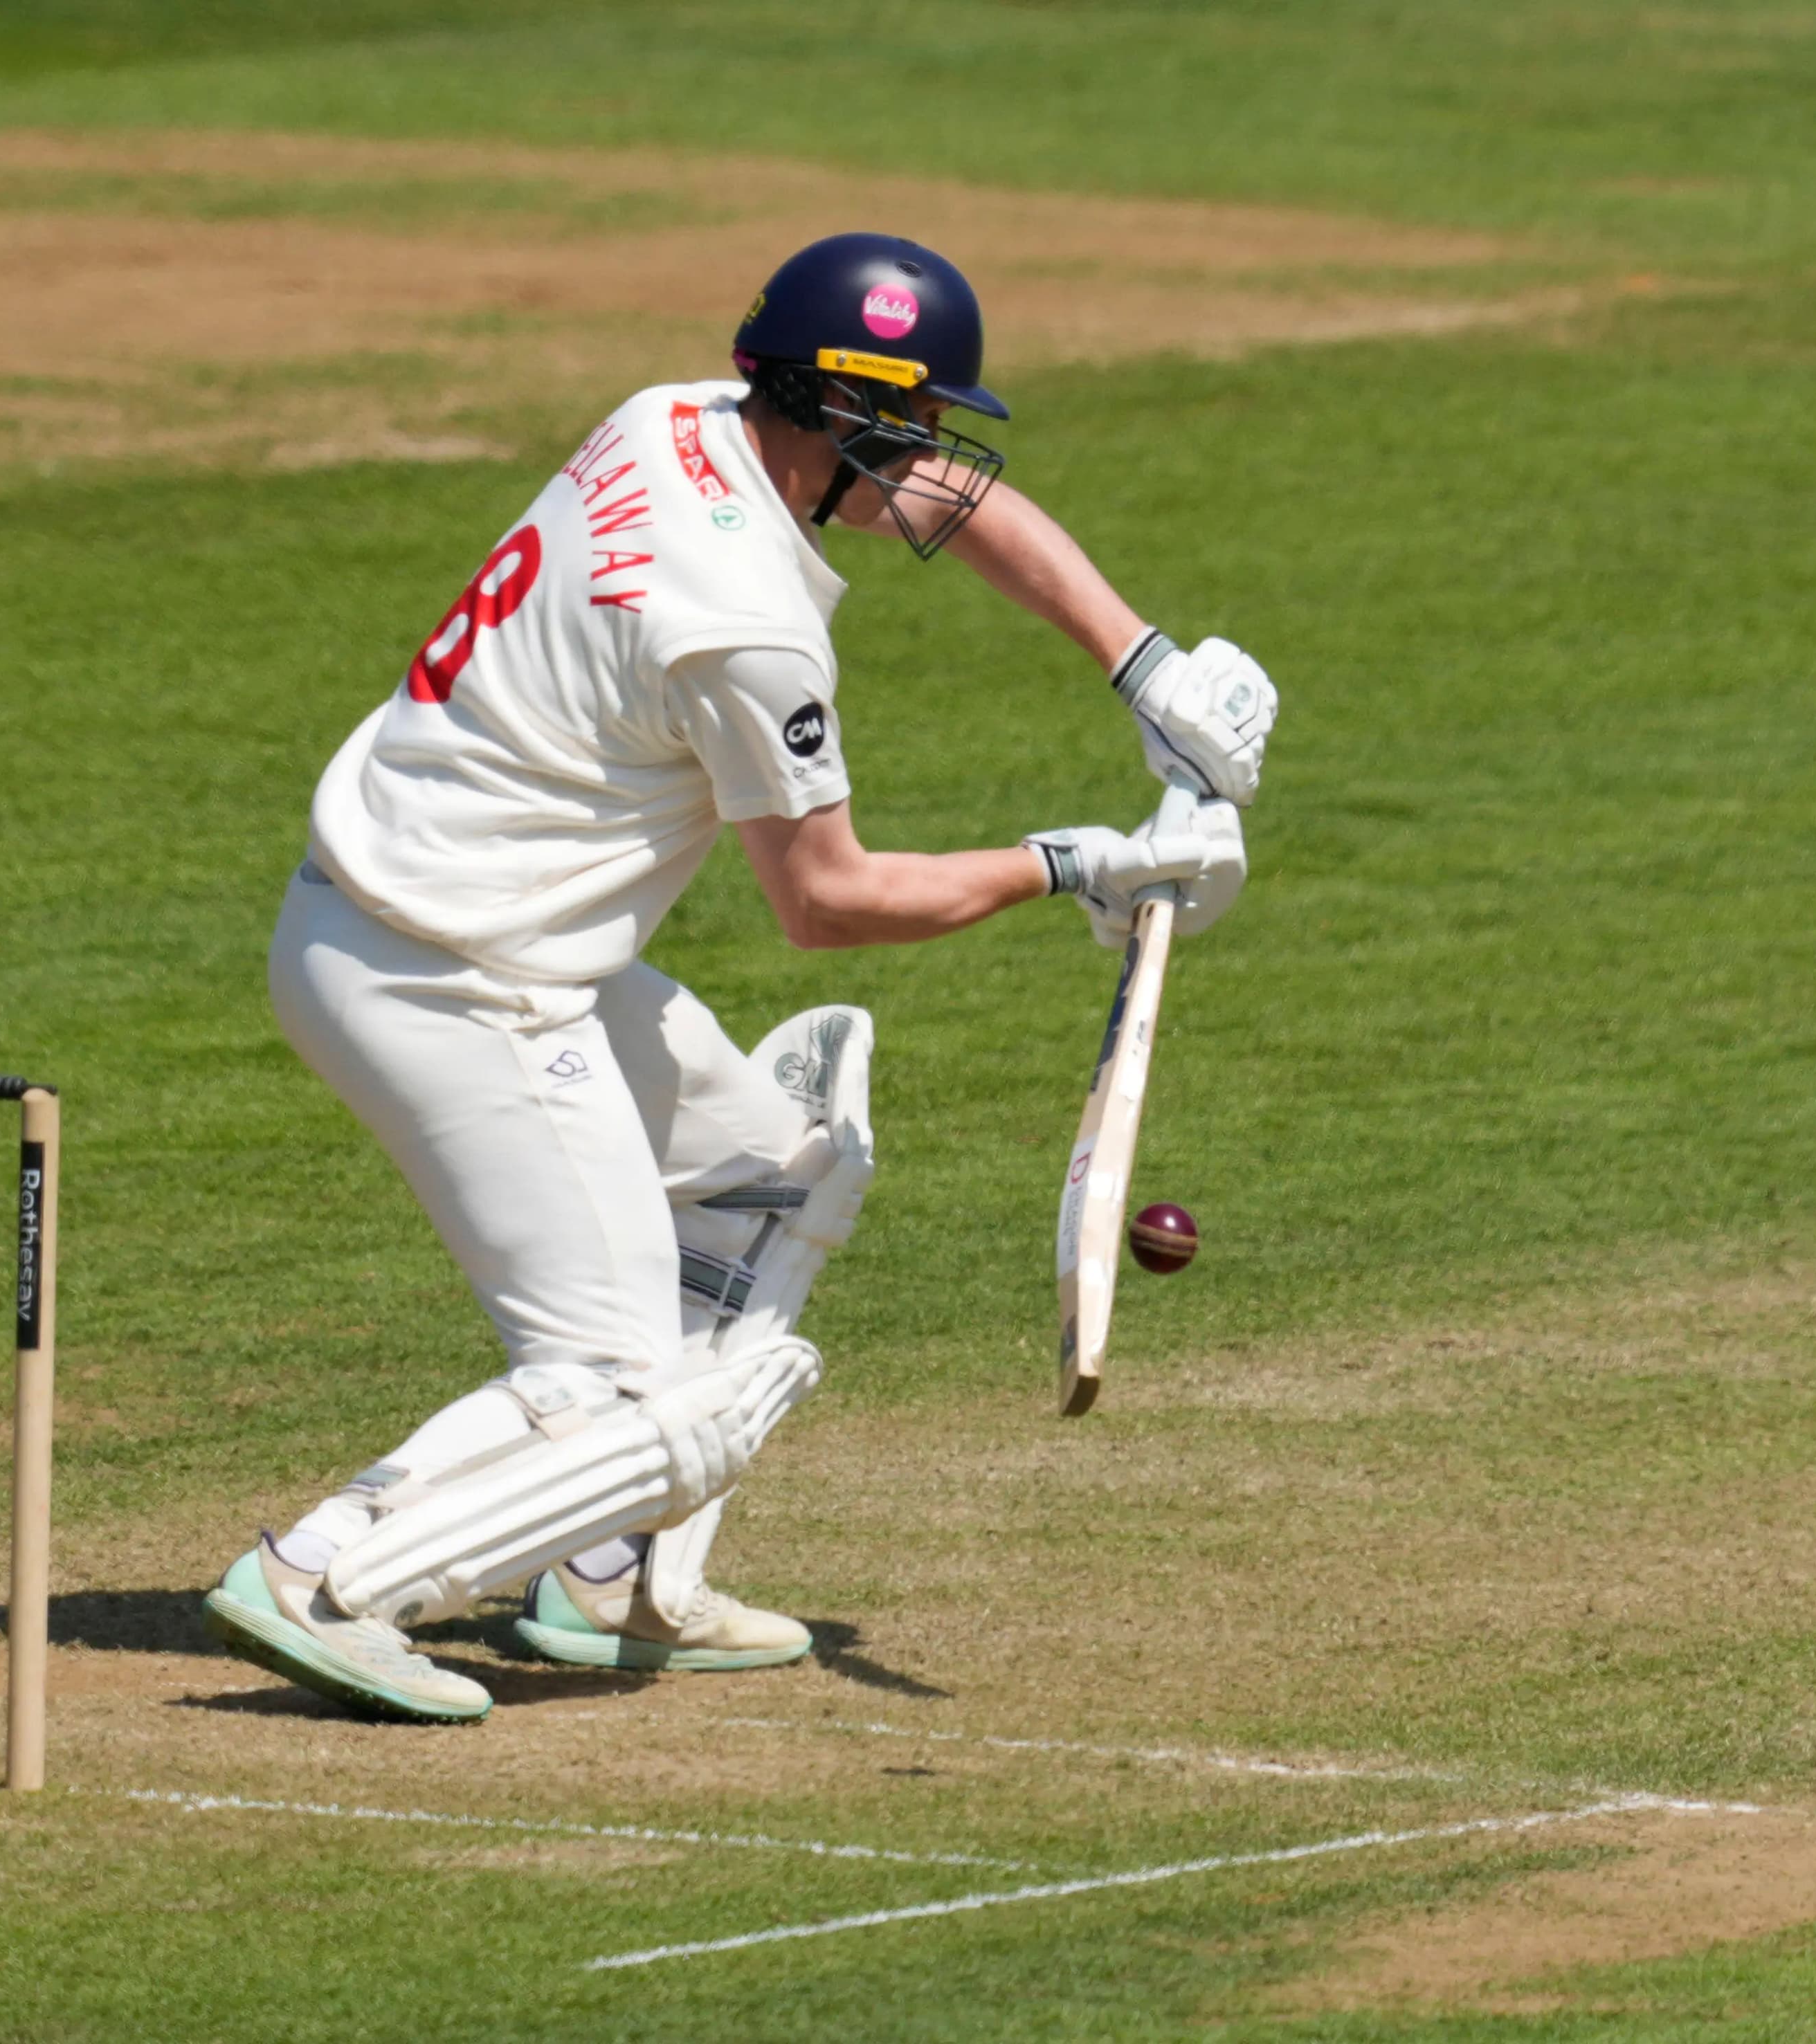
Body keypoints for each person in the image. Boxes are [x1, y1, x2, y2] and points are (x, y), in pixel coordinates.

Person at [203, 231, 1276, 1721]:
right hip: (454, 986)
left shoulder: (677, 415)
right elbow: (826, 903)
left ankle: (607, 1575)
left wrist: (1141, 659)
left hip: (442, 928)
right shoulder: (745, 629)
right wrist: (1076, 864)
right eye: (907, 426)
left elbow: (941, 504)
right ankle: (327, 1571)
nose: (930, 460)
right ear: (834, 416)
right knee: (619, 1380)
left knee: (774, 1169)